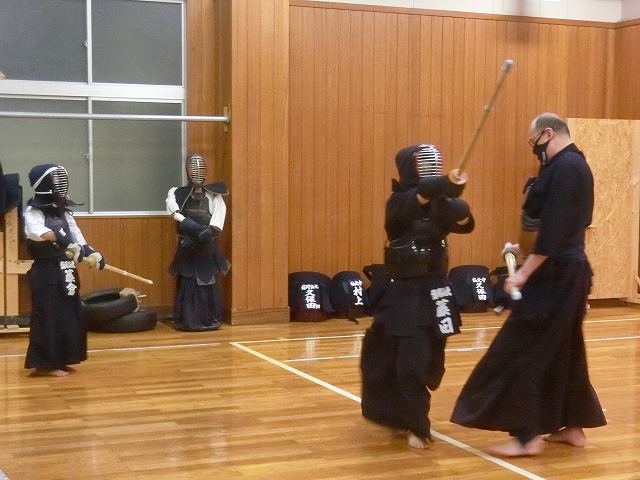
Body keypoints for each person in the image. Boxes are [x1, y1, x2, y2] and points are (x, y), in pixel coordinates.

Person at [450, 112, 607, 457]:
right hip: (565, 271)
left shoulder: (567, 168)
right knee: (564, 350)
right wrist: (525, 253)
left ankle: (527, 436)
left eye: (533, 141)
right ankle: (574, 426)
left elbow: (557, 231)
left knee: (524, 348)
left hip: (557, 275)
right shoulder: (570, 165)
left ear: (548, 133)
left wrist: (523, 272)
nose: (533, 148)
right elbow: (561, 227)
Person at [360, 144, 474, 449]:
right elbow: (420, 195)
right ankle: (416, 424)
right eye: (423, 163)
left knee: (430, 361)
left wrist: (457, 203)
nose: (429, 167)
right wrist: (446, 183)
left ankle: (405, 415)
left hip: (437, 293)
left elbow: (464, 224)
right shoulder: (398, 201)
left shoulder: (441, 203)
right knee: (407, 362)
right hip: (404, 295)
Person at [24, 164, 105, 377]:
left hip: (66, 271)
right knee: (49, 316)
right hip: (46, 272)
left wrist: (92, 254)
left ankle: (63, 359)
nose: (61, 186)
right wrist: (64, 240)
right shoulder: (34, 212)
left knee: (69, 314)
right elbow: (38, 233)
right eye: (56, 181)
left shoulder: (64, 212)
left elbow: (77, 236)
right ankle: (46, 364)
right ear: (45, 185)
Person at [166, 154, 230, 331]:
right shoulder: (176, 192)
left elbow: (219, 216)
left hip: (206, 246)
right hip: (187, 244)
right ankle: (187, 319)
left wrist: (208, 231)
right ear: (188, 171)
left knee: (206, 279)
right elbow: (174, 212)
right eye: (193, 168)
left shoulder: (215, 194)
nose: (197, 172)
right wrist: (193, 227)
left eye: (200, 168)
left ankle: (208, 319)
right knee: (187, 279)